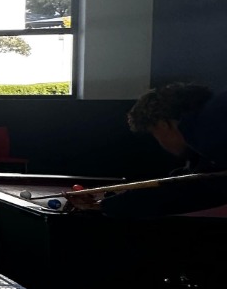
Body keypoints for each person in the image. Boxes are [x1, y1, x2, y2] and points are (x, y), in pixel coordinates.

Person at [83, 83, 227, 217]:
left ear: (163, 124)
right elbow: (190, 178)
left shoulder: (208, 132)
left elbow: (190, 192)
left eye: (155, 133)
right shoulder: (212, 118)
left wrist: (103, 205)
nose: (160, 142)